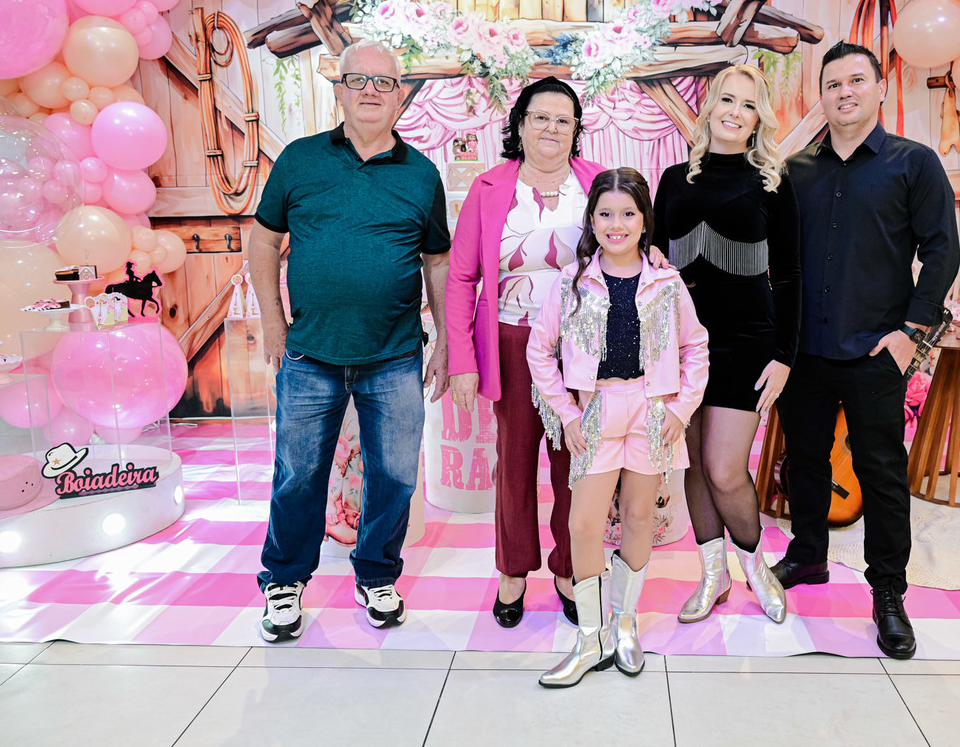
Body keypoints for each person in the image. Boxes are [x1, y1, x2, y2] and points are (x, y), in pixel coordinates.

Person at [446, 78, 668, 627]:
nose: (551, 128)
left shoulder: (595, 181)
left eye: (563, 120)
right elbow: (461, 278)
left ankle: (571, 570)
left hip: (587, 347)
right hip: (511, 339)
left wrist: (655, 256)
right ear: (519, 125)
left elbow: (630, 237)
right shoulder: (488, 188)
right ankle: (513, 571)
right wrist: (462, 361)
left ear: (576, 130)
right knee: (515, 462)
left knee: (579, 465)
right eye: (540, 117)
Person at [249, 40, 451, 642]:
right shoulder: (300, 160)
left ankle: (377, 574)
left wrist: (444, 340)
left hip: (395, 354)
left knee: (396, 476)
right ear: (338, 89)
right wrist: (272, 322)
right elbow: (264, 242)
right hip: (309, 352)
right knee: (297, 474)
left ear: (400, 96)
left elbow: (437, 261)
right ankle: (285, 580)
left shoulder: (421, 173)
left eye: (383, 82)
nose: (370, 91)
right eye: (357, 79)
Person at [776, 42, 960, 660]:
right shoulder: (797, 170)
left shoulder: (914, 163)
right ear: (821, 97)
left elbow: (942, 250)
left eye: (856, 80)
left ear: (880, 88)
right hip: (806, 349)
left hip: (878, 349)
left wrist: (911, 333)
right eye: (832, 84)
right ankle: (808, 554)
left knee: (881, 474)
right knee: (804, 460)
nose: (845, 92)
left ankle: (887, 592)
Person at [527, 168, 709, 687]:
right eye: (605, 214)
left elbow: (696, 347)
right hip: (596, 410)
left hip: (651, 411)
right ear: (591, 220)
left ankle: (624, 623)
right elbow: (540, 350)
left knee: (637, 517)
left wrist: (680, 410)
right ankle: (591, 639)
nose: (616, 224)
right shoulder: (573, 281)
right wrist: (567, 414)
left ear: (645, 220)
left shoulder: (666, 283)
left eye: (628, 213)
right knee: (583, 524)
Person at [652, 64, 800, 625]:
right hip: (680, 346)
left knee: (723, 469)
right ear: (709, 105)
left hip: (747, 343)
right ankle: (713, 577)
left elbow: (789, 275)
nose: (735, 112)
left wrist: (784, 356)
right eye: (727, 100)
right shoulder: (673, 180)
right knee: (692, 464)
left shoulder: (773, 182)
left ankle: (756, 569)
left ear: (759, 118)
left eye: (748, 104)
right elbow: (653, 263)